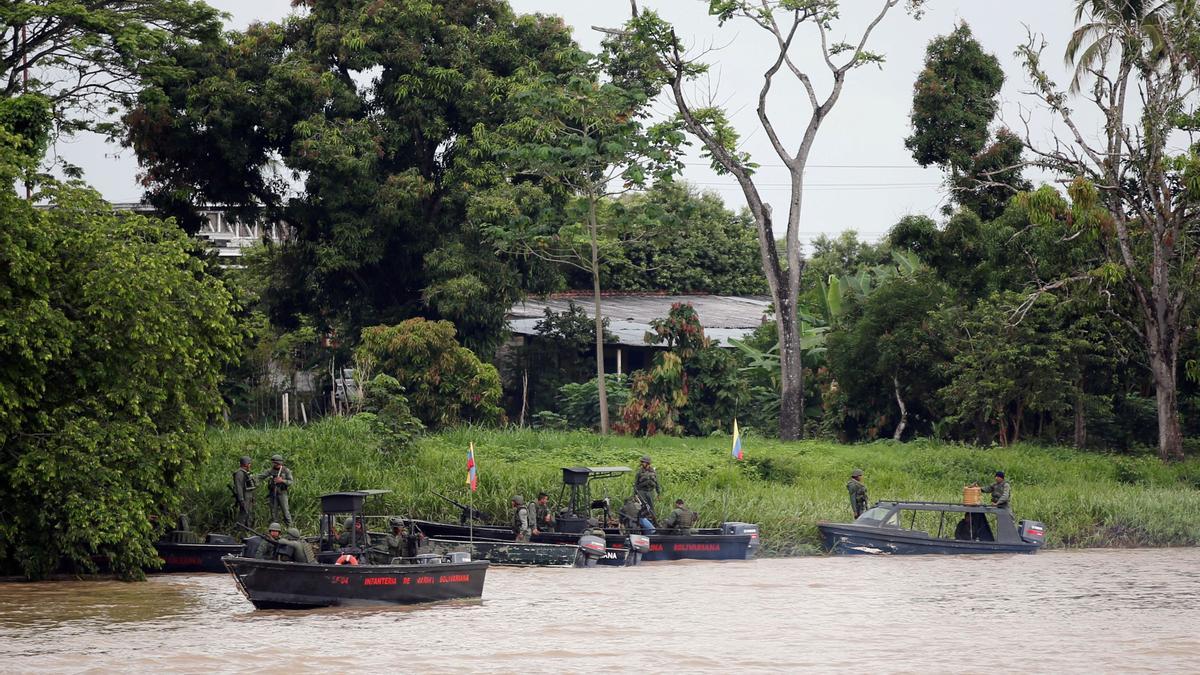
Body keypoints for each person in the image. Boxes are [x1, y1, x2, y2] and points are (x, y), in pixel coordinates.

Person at [257, 454, 294, 526]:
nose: (274, 464)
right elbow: (261, 476)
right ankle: (275, 529)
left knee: (286, 511)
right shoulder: (270, 470)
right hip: (273, 493)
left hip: (282, 493)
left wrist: (282, 481)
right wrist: (253, 478)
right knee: (273, 512)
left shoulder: (286, 470)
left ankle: (290, 528)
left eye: (275, 462)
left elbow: (291, 482)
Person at [231, 456, 257, 529]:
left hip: (248, 497)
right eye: (249, 463)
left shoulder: (245, 472)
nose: (250, 465)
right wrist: (241, 499)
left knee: (249, 514)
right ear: (246, 464)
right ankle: (239, 530)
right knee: (243, 514)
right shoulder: (239, 473)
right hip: (244, 497)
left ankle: (247, 529)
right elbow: (239, 487)